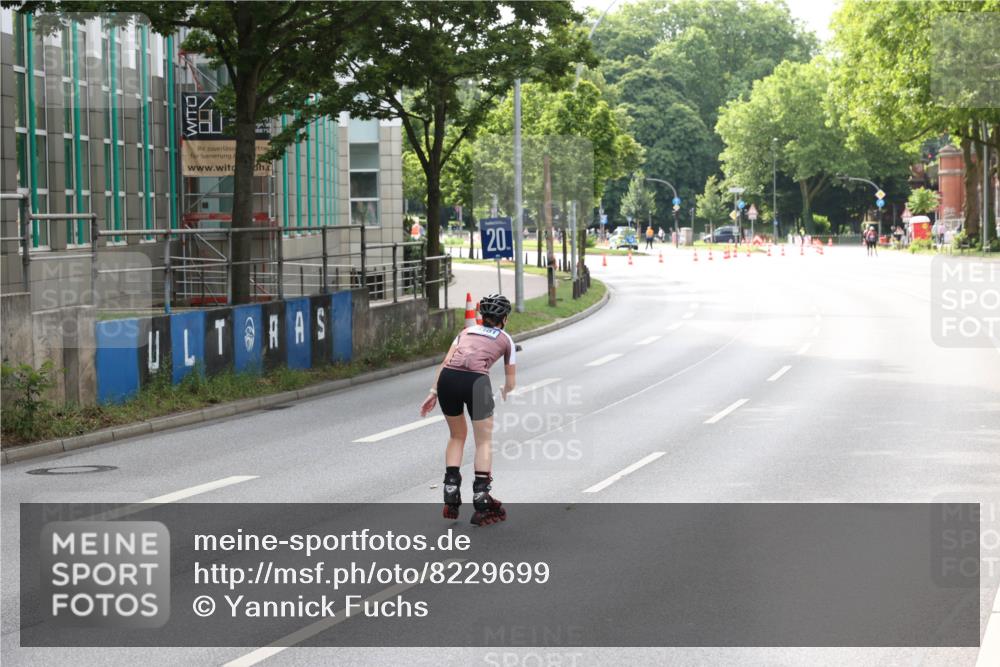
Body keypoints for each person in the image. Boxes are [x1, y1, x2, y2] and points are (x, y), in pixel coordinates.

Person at [420, 294, 515, 526]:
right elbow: (511, 382)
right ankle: (481, 495)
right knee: (483, 441)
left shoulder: (465, 332)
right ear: (504, 318)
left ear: (482, 315)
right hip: (477, 383)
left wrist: (433, 392)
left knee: (456, 435)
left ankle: (451, 488)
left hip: (448, 380)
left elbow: (446, 362)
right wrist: (505, 389)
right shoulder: (506, 339)